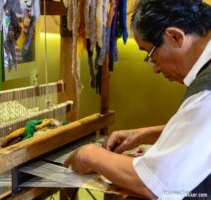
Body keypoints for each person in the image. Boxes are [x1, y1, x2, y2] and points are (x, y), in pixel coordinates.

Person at [64, 0, 211, 199]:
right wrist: (145, 134)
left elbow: (154, 185)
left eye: (150, 54)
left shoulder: (206, 95)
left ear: (175, 36)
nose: (156, 68)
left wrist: (90, 155)